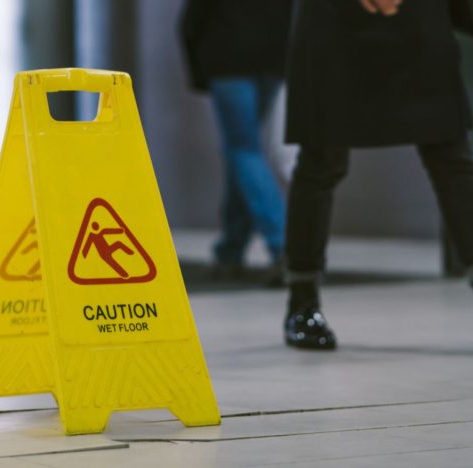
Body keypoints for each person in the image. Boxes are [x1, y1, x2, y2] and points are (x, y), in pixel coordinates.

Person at [283, 0, 473, 349]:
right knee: (322, 161)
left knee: (452, 160)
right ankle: (302, 300)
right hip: (335, 27)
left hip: (418, 24)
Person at [180, 0, 293, 285]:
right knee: (242, 152)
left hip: (229, 59)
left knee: (244, 151)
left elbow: (194, 18)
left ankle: (283, 246)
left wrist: (197, 68)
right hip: (271, 60)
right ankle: (230, 250)